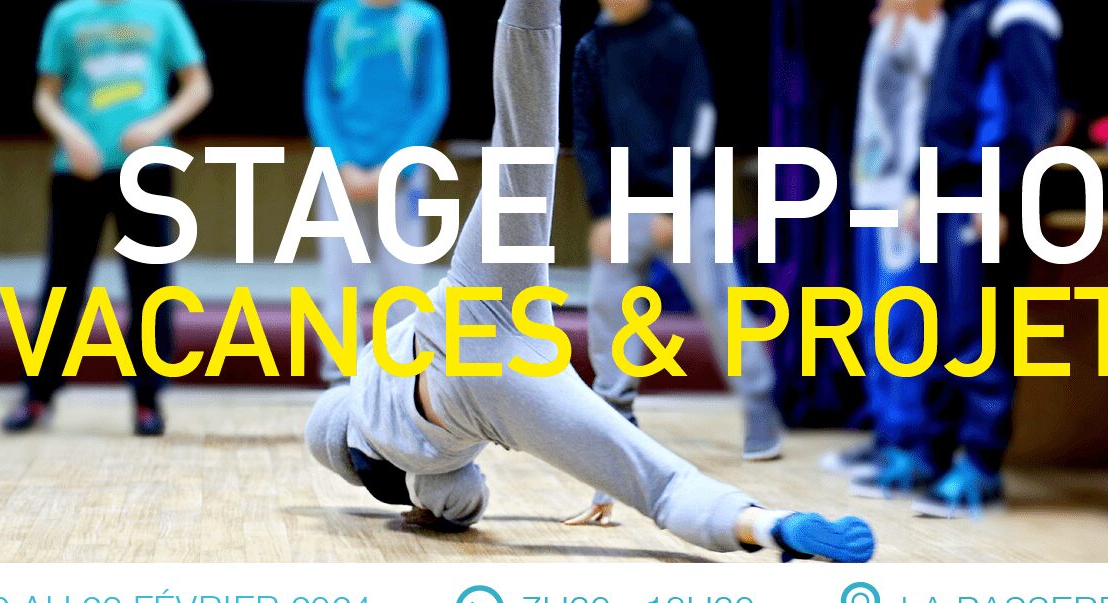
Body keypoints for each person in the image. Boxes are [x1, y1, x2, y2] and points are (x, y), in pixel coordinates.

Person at [303, 0, 876, 563]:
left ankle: (769, 525)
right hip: (476, 303)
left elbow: (460, 499)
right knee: (522, 140)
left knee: (660, 484)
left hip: (509, 387)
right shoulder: (369, 381)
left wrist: (436, 508)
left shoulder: (433, 471)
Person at [851, 0, 1062, 518]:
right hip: (947, 190)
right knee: (940, 328)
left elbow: (1031, 112)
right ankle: (932, 453)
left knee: (978, 330)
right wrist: (921, 186)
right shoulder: (970, 13)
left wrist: (1001, 193)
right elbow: (944, 112)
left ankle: (981, 464)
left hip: (982, 193)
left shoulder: (1022, 13)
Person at [571, 0, 786, 473]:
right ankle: (617, 414)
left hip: (688, 200)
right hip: (623, 203)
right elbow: (587, 136)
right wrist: (603, 212)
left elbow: (698, 121)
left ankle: (759, 406)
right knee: (608, 305)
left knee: (719, 299)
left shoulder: (676, 35)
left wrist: (672, 200)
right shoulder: (592, 48)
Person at [2, 0, 211, 436]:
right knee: (63, 282)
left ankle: (147, 399)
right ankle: (38, 393)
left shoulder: (162, 12)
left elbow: (197, 85)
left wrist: (157, 126)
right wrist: (70, 135)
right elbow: (45, 95)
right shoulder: (66, 16)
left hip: (147, 165)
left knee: (150, 285)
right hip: (79, 168)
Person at [822, 2, 945, 479]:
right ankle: (884, 434)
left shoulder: (929, 28)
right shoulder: (885, 24)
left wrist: (922, 188)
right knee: (874, 320)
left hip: (905, 197)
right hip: (872, 191)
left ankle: (908, 443)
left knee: (903, 321)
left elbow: (938, 113)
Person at [305, 0, 450, 387]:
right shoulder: (333, 17)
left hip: (405, 179)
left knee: (404, 283)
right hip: (341, 174)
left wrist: (397, 167)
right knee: (340, 282)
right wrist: (341, 162)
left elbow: (433, 100)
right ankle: (340, 379)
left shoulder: (423, 21)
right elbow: (318, 96)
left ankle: (399, 378)